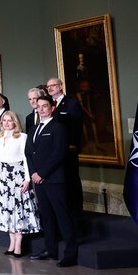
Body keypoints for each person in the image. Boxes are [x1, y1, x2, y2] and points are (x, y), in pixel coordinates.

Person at [26, 95, 78, 267]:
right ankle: (50, 249)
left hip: (54, 179)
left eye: (44, 106)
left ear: (52, 108)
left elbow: (58, 155)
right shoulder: (34, 129)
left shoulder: (59, 128)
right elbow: (28, 153)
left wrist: (41, 173)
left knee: (62, 216)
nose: (41, 109)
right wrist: (33, 173)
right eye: (38, 106)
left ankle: (70, 253)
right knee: (46, 216)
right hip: (38, 180)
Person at [0, 111, 41, 257]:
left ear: (15, 122)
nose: (6, 123)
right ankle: (11, 243)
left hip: (17, 175)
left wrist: (27, 179)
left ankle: (18, 244)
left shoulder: (22, 137)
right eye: (4, 120)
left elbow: (26, 159)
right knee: (6, 210)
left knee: (18, 210)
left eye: (9, 120)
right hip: (3, 176)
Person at [46, 76, 84, 211]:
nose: (50, 88)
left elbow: (77, 125)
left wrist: (73, 143)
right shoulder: (47, 104)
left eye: (53, 85)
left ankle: (76, 210)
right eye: (48, 86)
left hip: (69, 149)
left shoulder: (71, 103)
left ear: (61, 86)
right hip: (53, 151)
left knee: (71, 180)